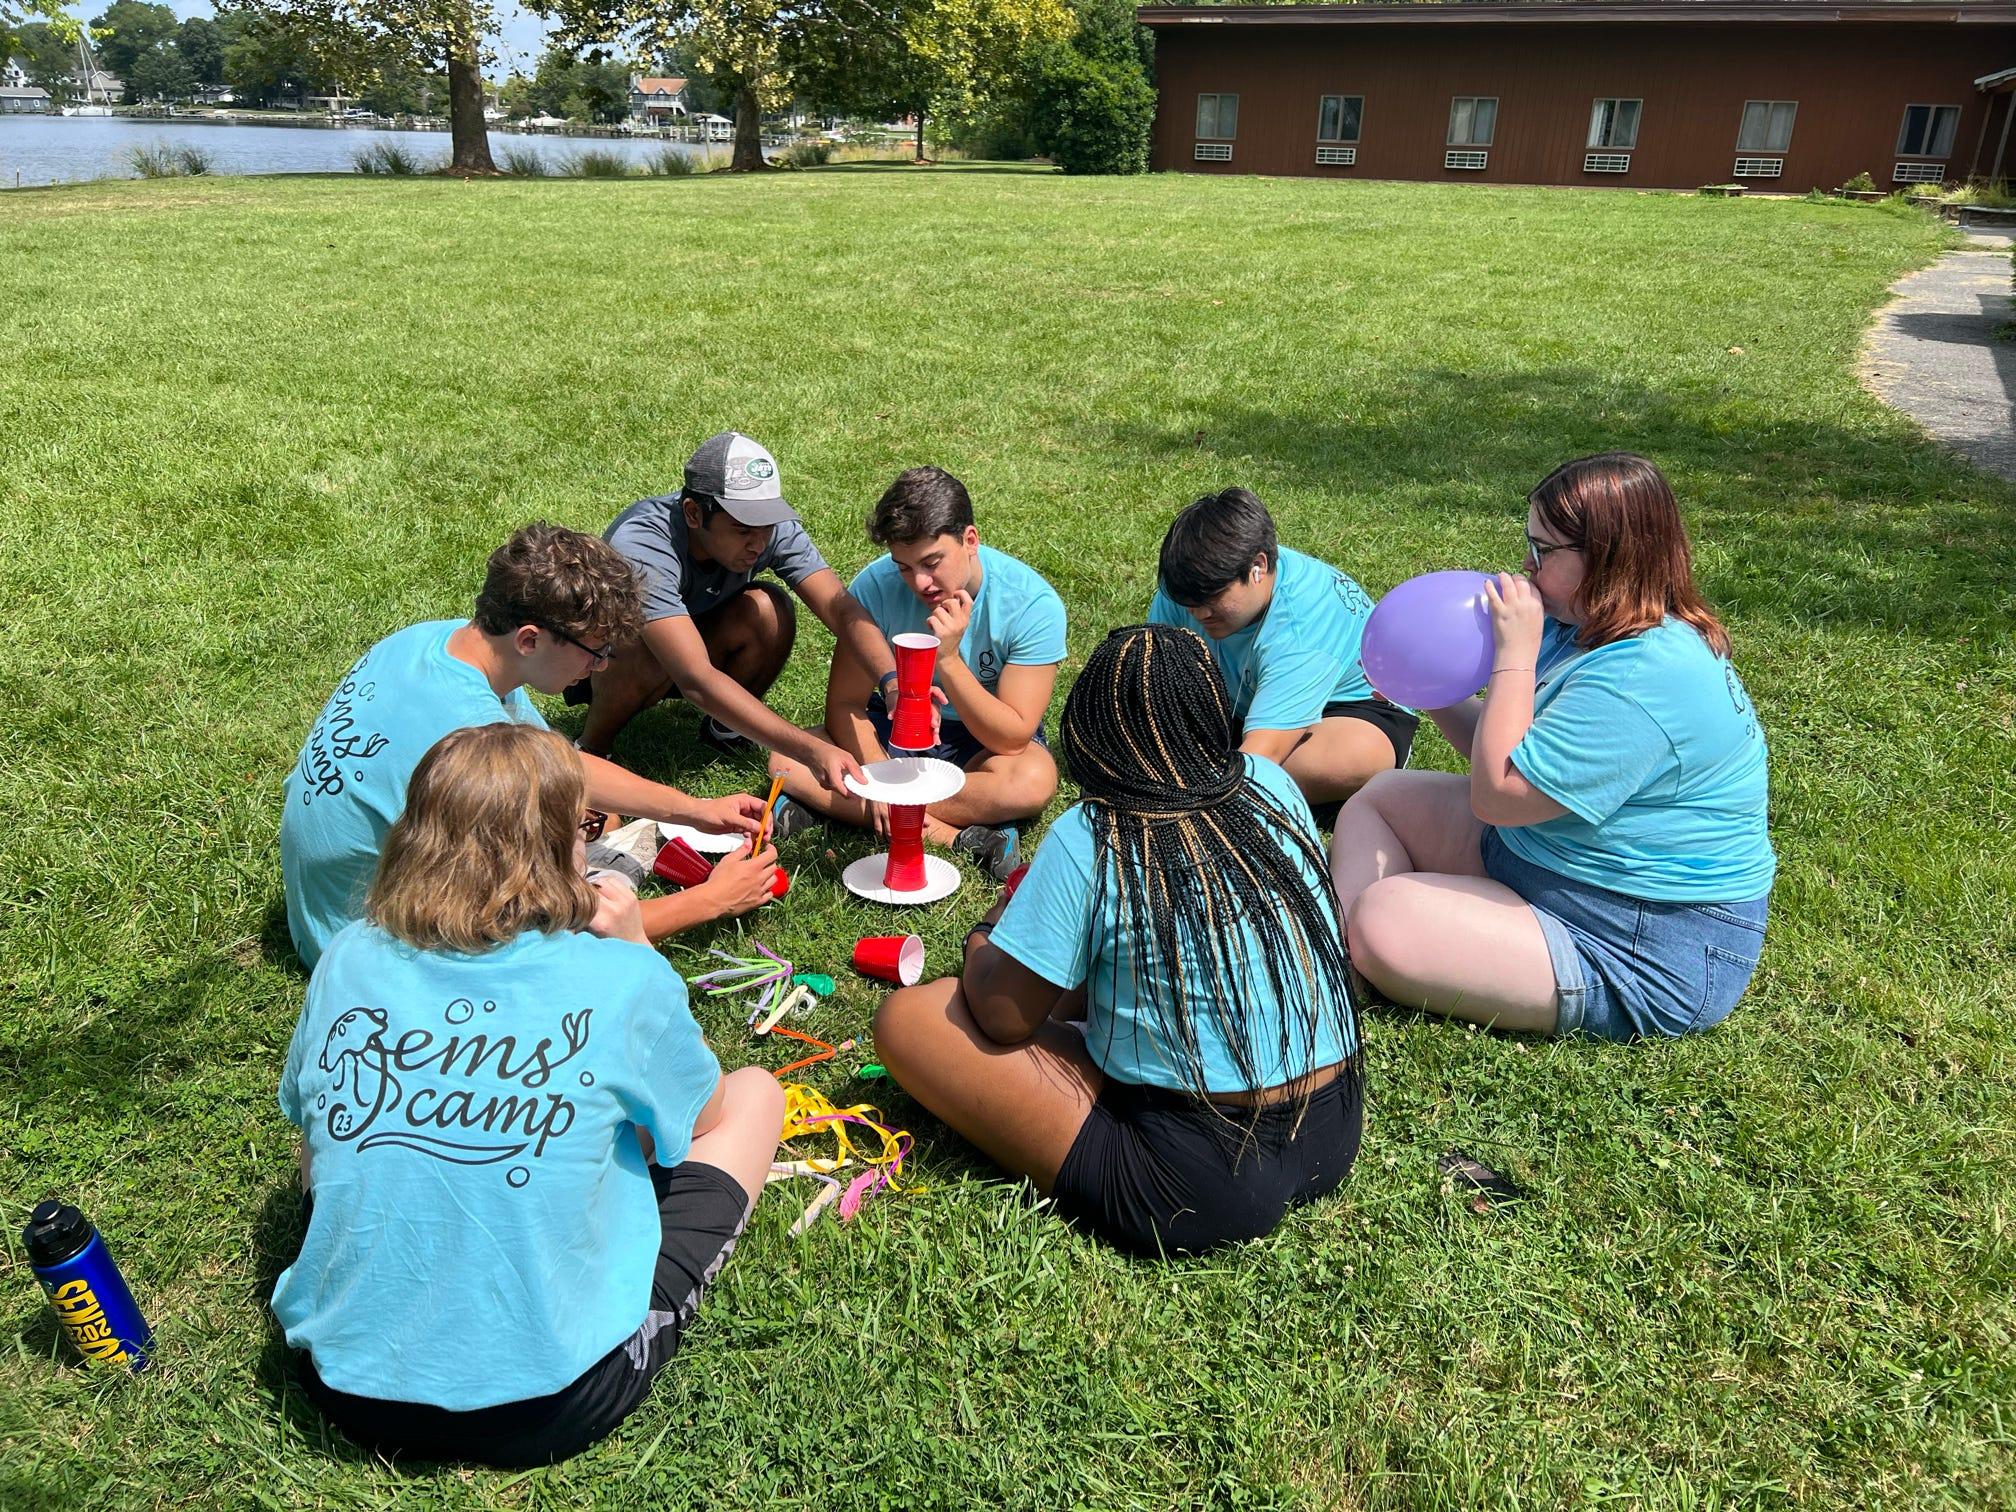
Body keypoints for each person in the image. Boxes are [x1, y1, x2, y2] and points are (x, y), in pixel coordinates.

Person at [273, 723, 785, 1467]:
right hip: (552, 1402)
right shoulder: (620, 979)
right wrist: (638, 947)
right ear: (561, 848)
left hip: (342, 1383)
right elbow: (701, 1119)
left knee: (335, 1131)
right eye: (584, 827)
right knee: (755, 1094)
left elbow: (307, 1122)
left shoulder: (352, 952)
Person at [873, 624, 1362, 1258]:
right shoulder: (1270, 785)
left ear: (1090, 734)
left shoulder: (1096, 828)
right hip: (1330, 1125)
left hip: (1192, 1179)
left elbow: (1003, 1017)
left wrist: (990, 932)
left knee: (913, 1017)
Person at [1330, 453, 1775, 1041]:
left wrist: (1513, 655)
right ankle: (1347, 965)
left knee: (1384, 918)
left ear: (1607, 558)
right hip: (1553, 856)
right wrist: (1430, 684)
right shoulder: (1587, 625)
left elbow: (1499, 797)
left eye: (1544, 551)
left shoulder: (1646, 675)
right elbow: (1508, 754)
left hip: (1641, 935)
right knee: (1383, 797)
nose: (1526, 564)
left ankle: (1365, 948)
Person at [280, 524, 776, 969]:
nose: (601, 667)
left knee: (584, 826)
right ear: (530, 639)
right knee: (577, 896)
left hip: (328, 913)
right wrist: (713, 900)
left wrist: (695, 810)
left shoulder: (439, 642)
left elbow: (561, 765)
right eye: (596, 652)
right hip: (379, 951)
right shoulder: (467, 734)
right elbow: (563, 925)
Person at [764, 466, 1064, 880]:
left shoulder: (1032, 604)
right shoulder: (875, 586)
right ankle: (958, 836)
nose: (919, 582)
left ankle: (840, 810)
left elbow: (1011, 737)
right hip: (896, 733)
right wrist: (878, 777)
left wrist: (949, 659)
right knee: (787, 758)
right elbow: (845, 703)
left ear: (970, 540)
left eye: (931, 562)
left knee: (1032, 779)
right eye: (903, 566)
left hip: (982, 745)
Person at [574, 431, 896, 798]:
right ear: (694, 514)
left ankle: (726, 729)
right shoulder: (644, 544)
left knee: (768, 610)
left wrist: (893, 681)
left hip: (698, 642)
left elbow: (840, 608)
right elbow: (696, 678)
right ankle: (591, 750)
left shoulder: (765, 530)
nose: (759, 544)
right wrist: (810, 749)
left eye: (766, 528)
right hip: (611, 661)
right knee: (643, 647)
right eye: (742, 530)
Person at [1147, 488, 1416, 816]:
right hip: (1242, 706)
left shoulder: (1302, 622)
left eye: (1211, 598)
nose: (1198, 614)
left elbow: (1265, 752)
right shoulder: (1188, 586)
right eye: (1187, 601)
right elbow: (1155, 680)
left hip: (1346, 712)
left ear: (1258, 566)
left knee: (1361, 754)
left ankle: (1226, 783)